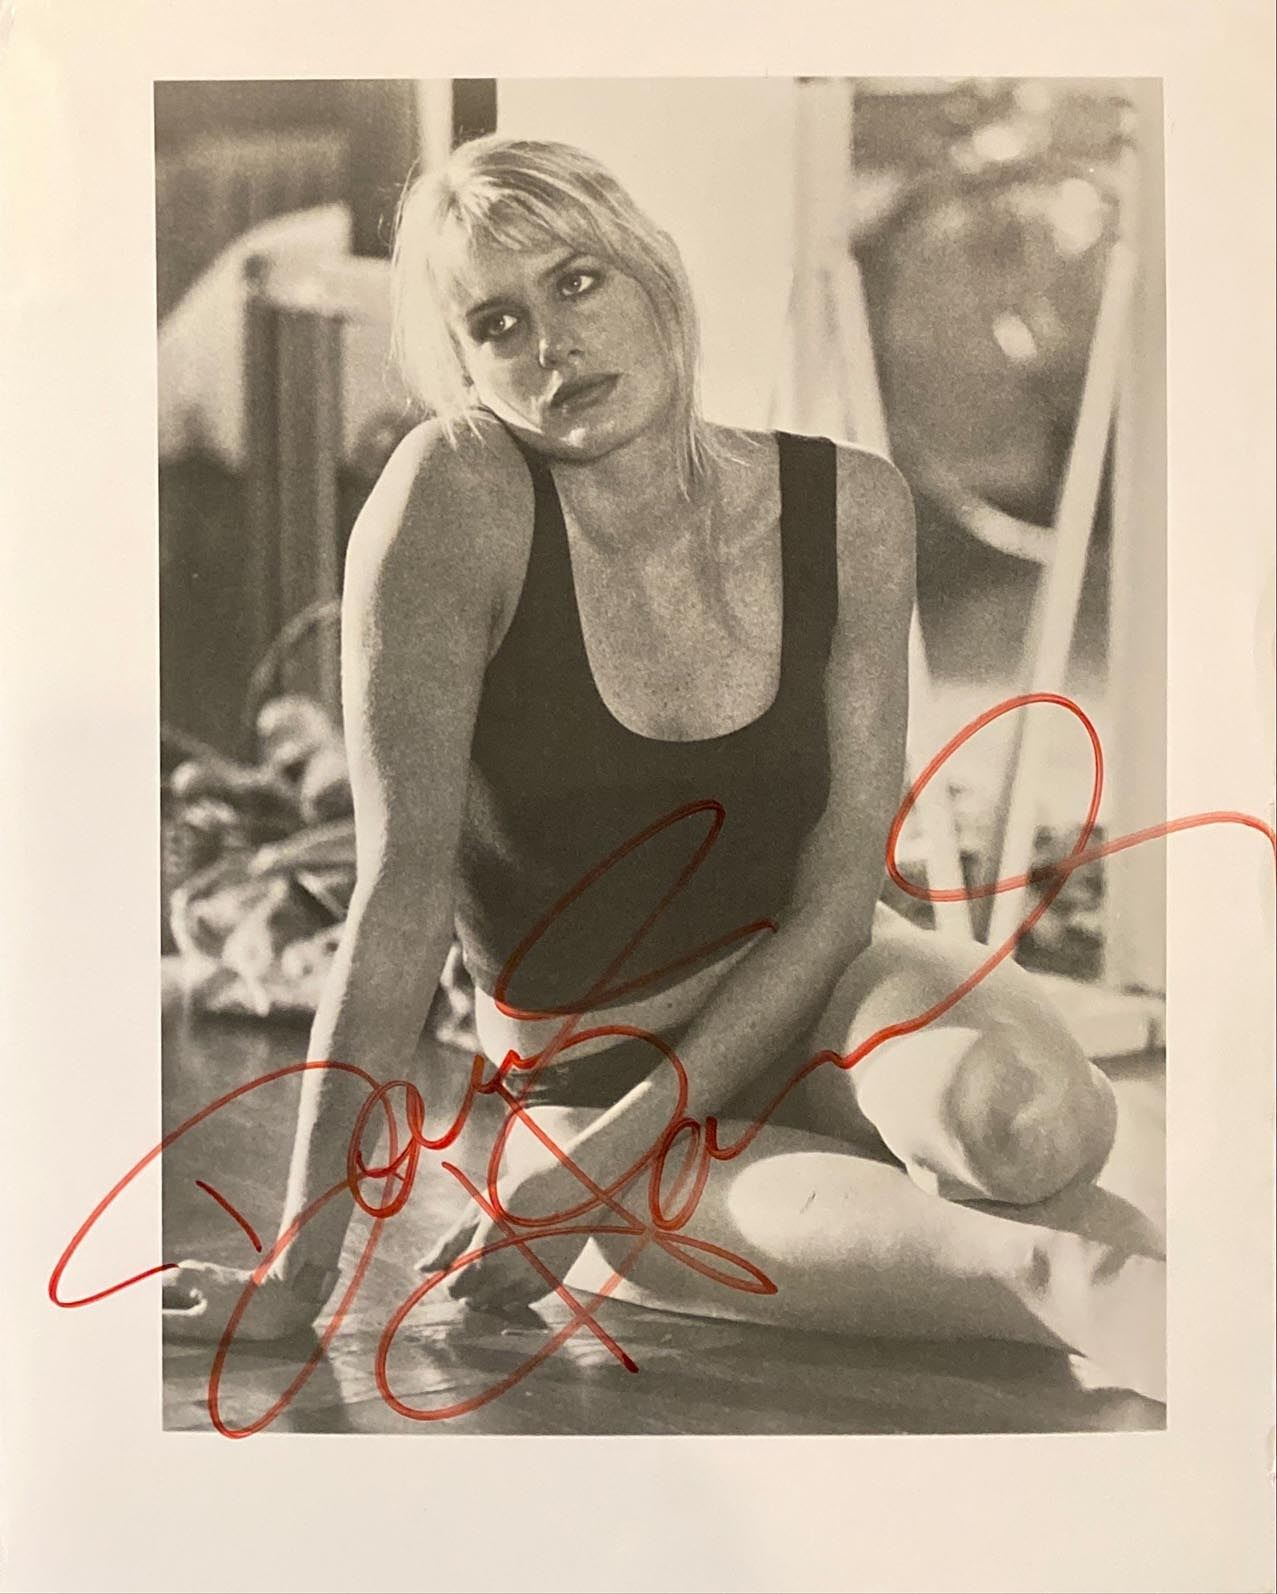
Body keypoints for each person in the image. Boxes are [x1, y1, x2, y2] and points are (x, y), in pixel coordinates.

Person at [164, 135, 1163, 1402]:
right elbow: (398, 900)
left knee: (1034, 1122)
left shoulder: (850, 507)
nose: (552, 345)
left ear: (655, 275)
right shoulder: (454, 502)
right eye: (497, 322)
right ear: (464, 368)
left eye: (577, 281)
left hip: (826, 987)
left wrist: (591, 1175)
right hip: (598, 1085)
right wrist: (298, 1273)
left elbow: (835, 892)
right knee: (1064, 1269)